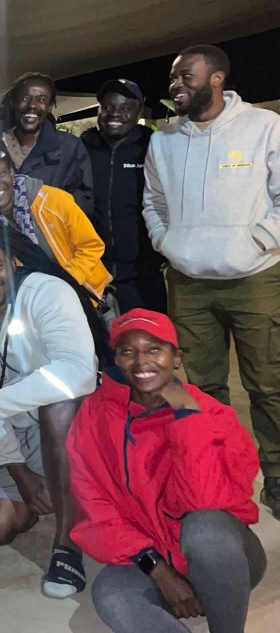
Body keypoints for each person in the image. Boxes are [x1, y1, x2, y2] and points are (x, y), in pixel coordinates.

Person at [143, 43, 280, 519]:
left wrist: (259, 241)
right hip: (188, 281)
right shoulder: (163, 140)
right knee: (202, 386)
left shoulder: (264, 126)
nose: (176, 84)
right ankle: (219, 467)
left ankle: (276, 472)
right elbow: (153, 201)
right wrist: (167, 242)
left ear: (217, 78)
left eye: (186, 75)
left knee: (268, 382)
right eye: (173, 77)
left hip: (255, 278)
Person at [69, 308, 265, 633]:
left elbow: (206, 500)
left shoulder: (213, 413)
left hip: (224, 560)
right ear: (116, 359)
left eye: (154, 350)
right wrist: (158, 570)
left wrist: (186, 414)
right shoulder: (95, 415)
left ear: (176, 358)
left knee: (204, 529)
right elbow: (94, 506)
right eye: (128, 351)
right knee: (111, 594)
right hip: (149, 559)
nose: (141, 362)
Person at [0, 222, 101, 598]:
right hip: (21, 427)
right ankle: (59, 487)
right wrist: (18, 470)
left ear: (12, 263)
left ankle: (67, 547)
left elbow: (77, 372)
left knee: (57, 405)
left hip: (73, 422)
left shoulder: (47, 292)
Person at [0, 131, 111, 304]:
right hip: (31, 305)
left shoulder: (55, 201)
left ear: (11, 171)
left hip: (85, 298)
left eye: (1, 173)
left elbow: (92, 246)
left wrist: (62, 283)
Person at [81, 79, 167, 313]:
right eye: (107, 107)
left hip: (143, 275)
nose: (115, 114)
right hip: (94, 272)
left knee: (145, 334)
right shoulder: (83, 148)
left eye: (125, 108)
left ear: (138, 113)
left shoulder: (152, 147)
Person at [0, 72, 94, 215]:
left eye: (41, 100)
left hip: (52, 228)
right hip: (1, 228)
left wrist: (49, 219)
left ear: (50, 106)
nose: (32, 105)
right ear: (13, 103)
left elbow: (83, 200)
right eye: (25, 98)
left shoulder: (69, 147)